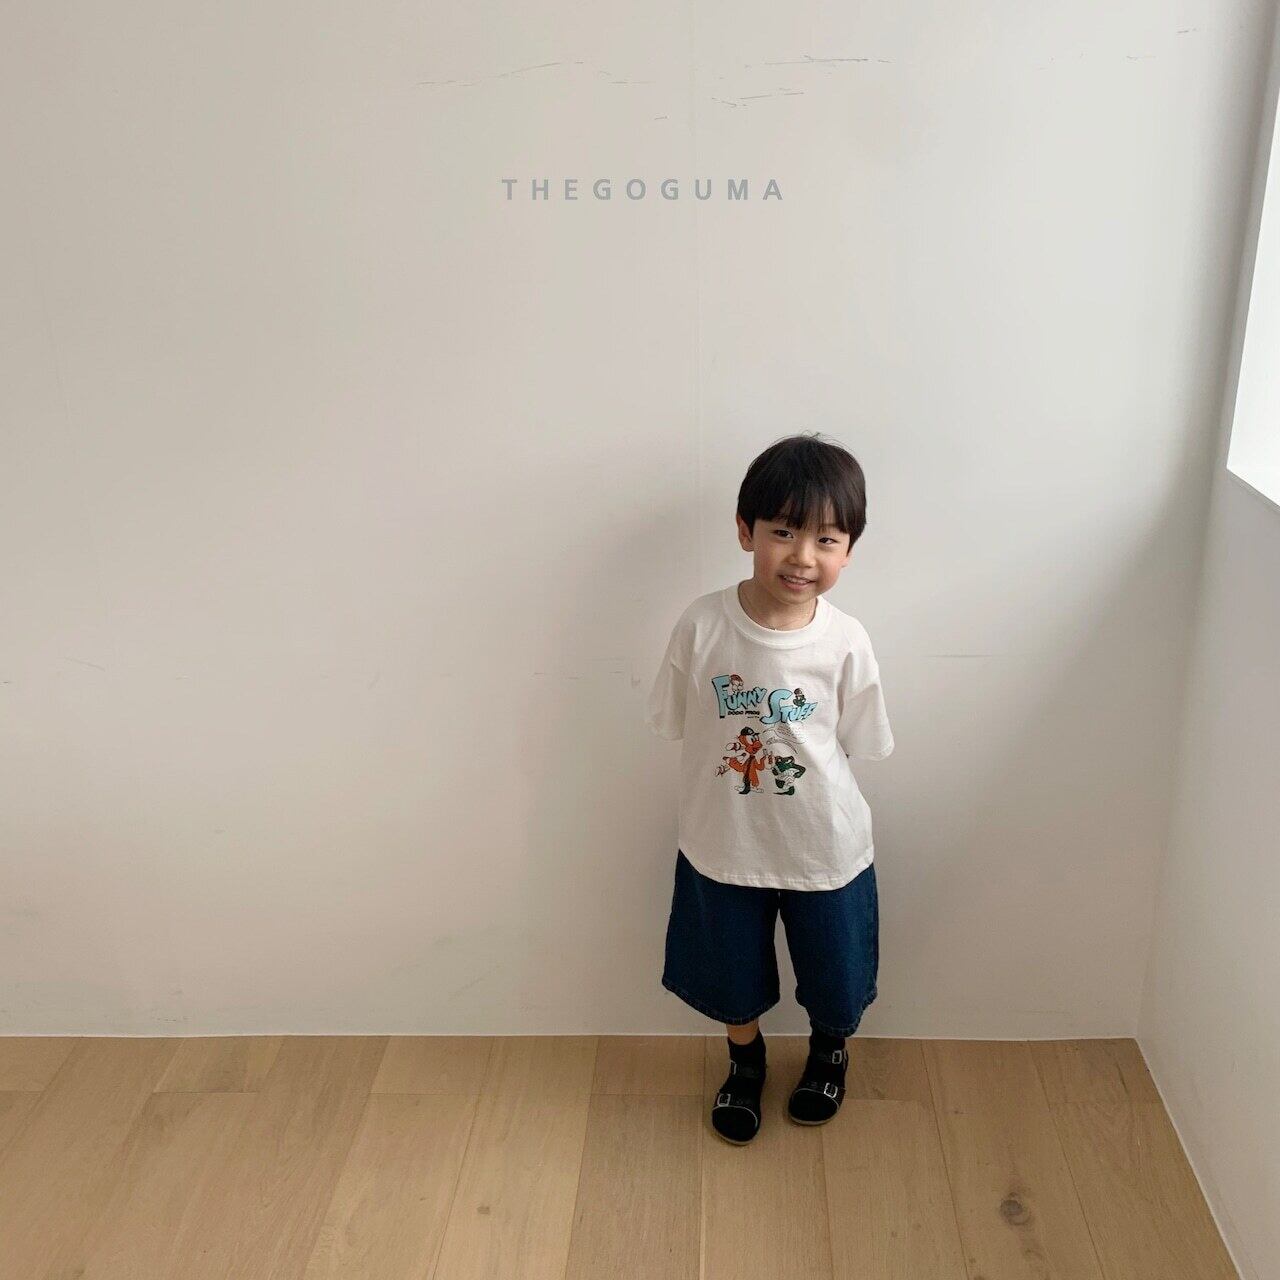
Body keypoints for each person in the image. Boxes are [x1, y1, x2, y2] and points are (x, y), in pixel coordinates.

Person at [645, 432, 894, 1145]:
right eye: (783, 532)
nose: (803, 556)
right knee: (729, 969)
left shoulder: (846, 641)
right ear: (744, 530)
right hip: (723, 842)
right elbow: (674, 718)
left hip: (824, 844)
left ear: (849, 550)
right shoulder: (702, 625)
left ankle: (828, 1053)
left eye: (827, 539)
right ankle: (745, 1060)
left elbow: (863, 739)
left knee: (835, 969)